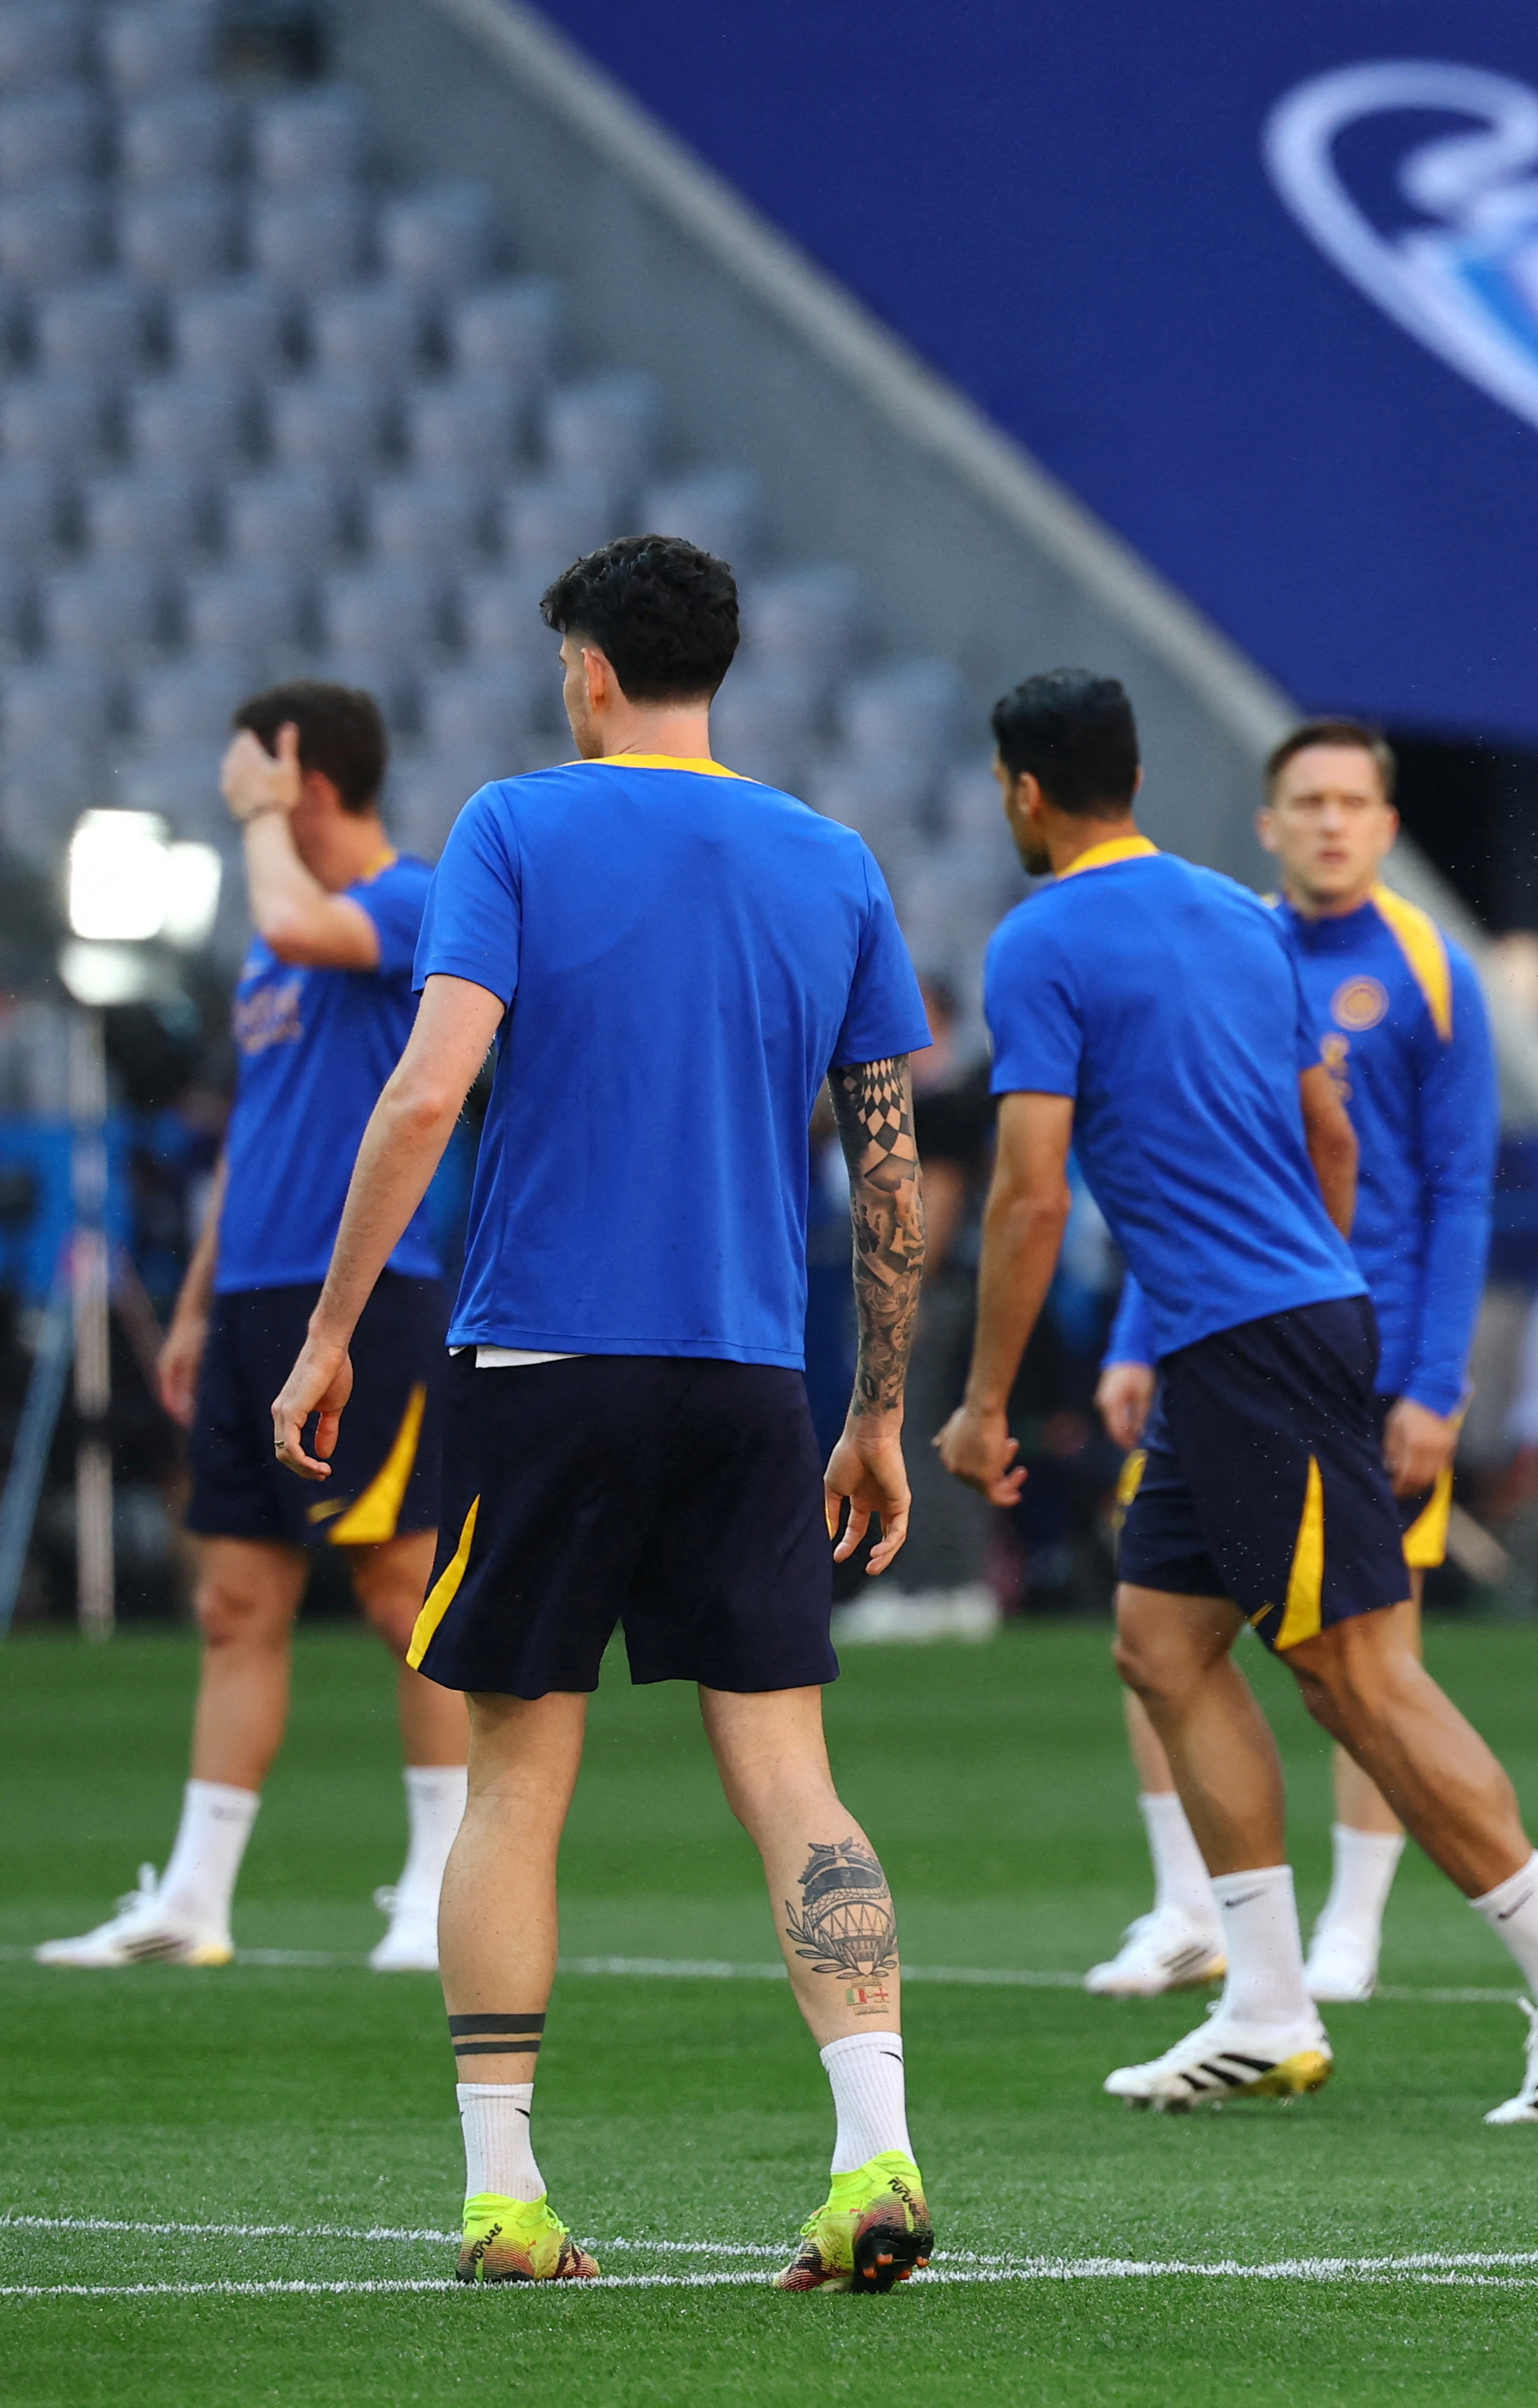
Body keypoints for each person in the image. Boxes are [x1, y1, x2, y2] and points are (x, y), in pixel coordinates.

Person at [268, 534, 942, 2285]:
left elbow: (424, 1095)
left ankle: (506, 2195)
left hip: (546, 1360)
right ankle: (875, 2157)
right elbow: (890, 1170)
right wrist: (874, 1410)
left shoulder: (511, 825)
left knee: (515, 1768)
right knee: (791, 1768)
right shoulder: (832, 859)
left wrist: (333, 1330)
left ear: (584, 668)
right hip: (744, 1374)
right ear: (723, 664)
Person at [937, 671, 1538, 2128]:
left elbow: (1025, 1198)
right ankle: (1266, 2003)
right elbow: (1326, 1127)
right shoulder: (1234, 920)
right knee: (1160, 1646)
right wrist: (1302, 1264)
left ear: (1023, 791)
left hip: (1254, 1344)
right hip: (1255, 1330)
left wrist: (982, 1401)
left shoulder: (1041, 941)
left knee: (1359, 1679)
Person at [40, 686, 466, 1977]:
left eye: (254, 767)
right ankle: (195, 1899)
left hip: (374, 1292)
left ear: (301, 774)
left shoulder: (409, 900)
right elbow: (257, 1135)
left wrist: (258, 819)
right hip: (254, 1298)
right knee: (235, 1600)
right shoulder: (275, 952)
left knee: (402, 1591)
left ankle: (438, 1890)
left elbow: (293, 908)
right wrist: (193, 1302)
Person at [1090, 716, 1498, 2007]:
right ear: (1267, 825)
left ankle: (1355, 1927)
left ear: (1386, 824)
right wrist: (1133, 1336)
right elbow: (1187, 1163)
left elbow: (1462, 1186)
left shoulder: (1434, 971)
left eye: (1353, 803)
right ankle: (1185, 1909)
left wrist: (1437, 1381)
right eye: (1306, 803)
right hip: (1215, 1341)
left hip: (1363, 1354)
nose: (1330, 823)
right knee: (1156, 1625)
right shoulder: (1234, 947)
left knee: (1369, 1646)